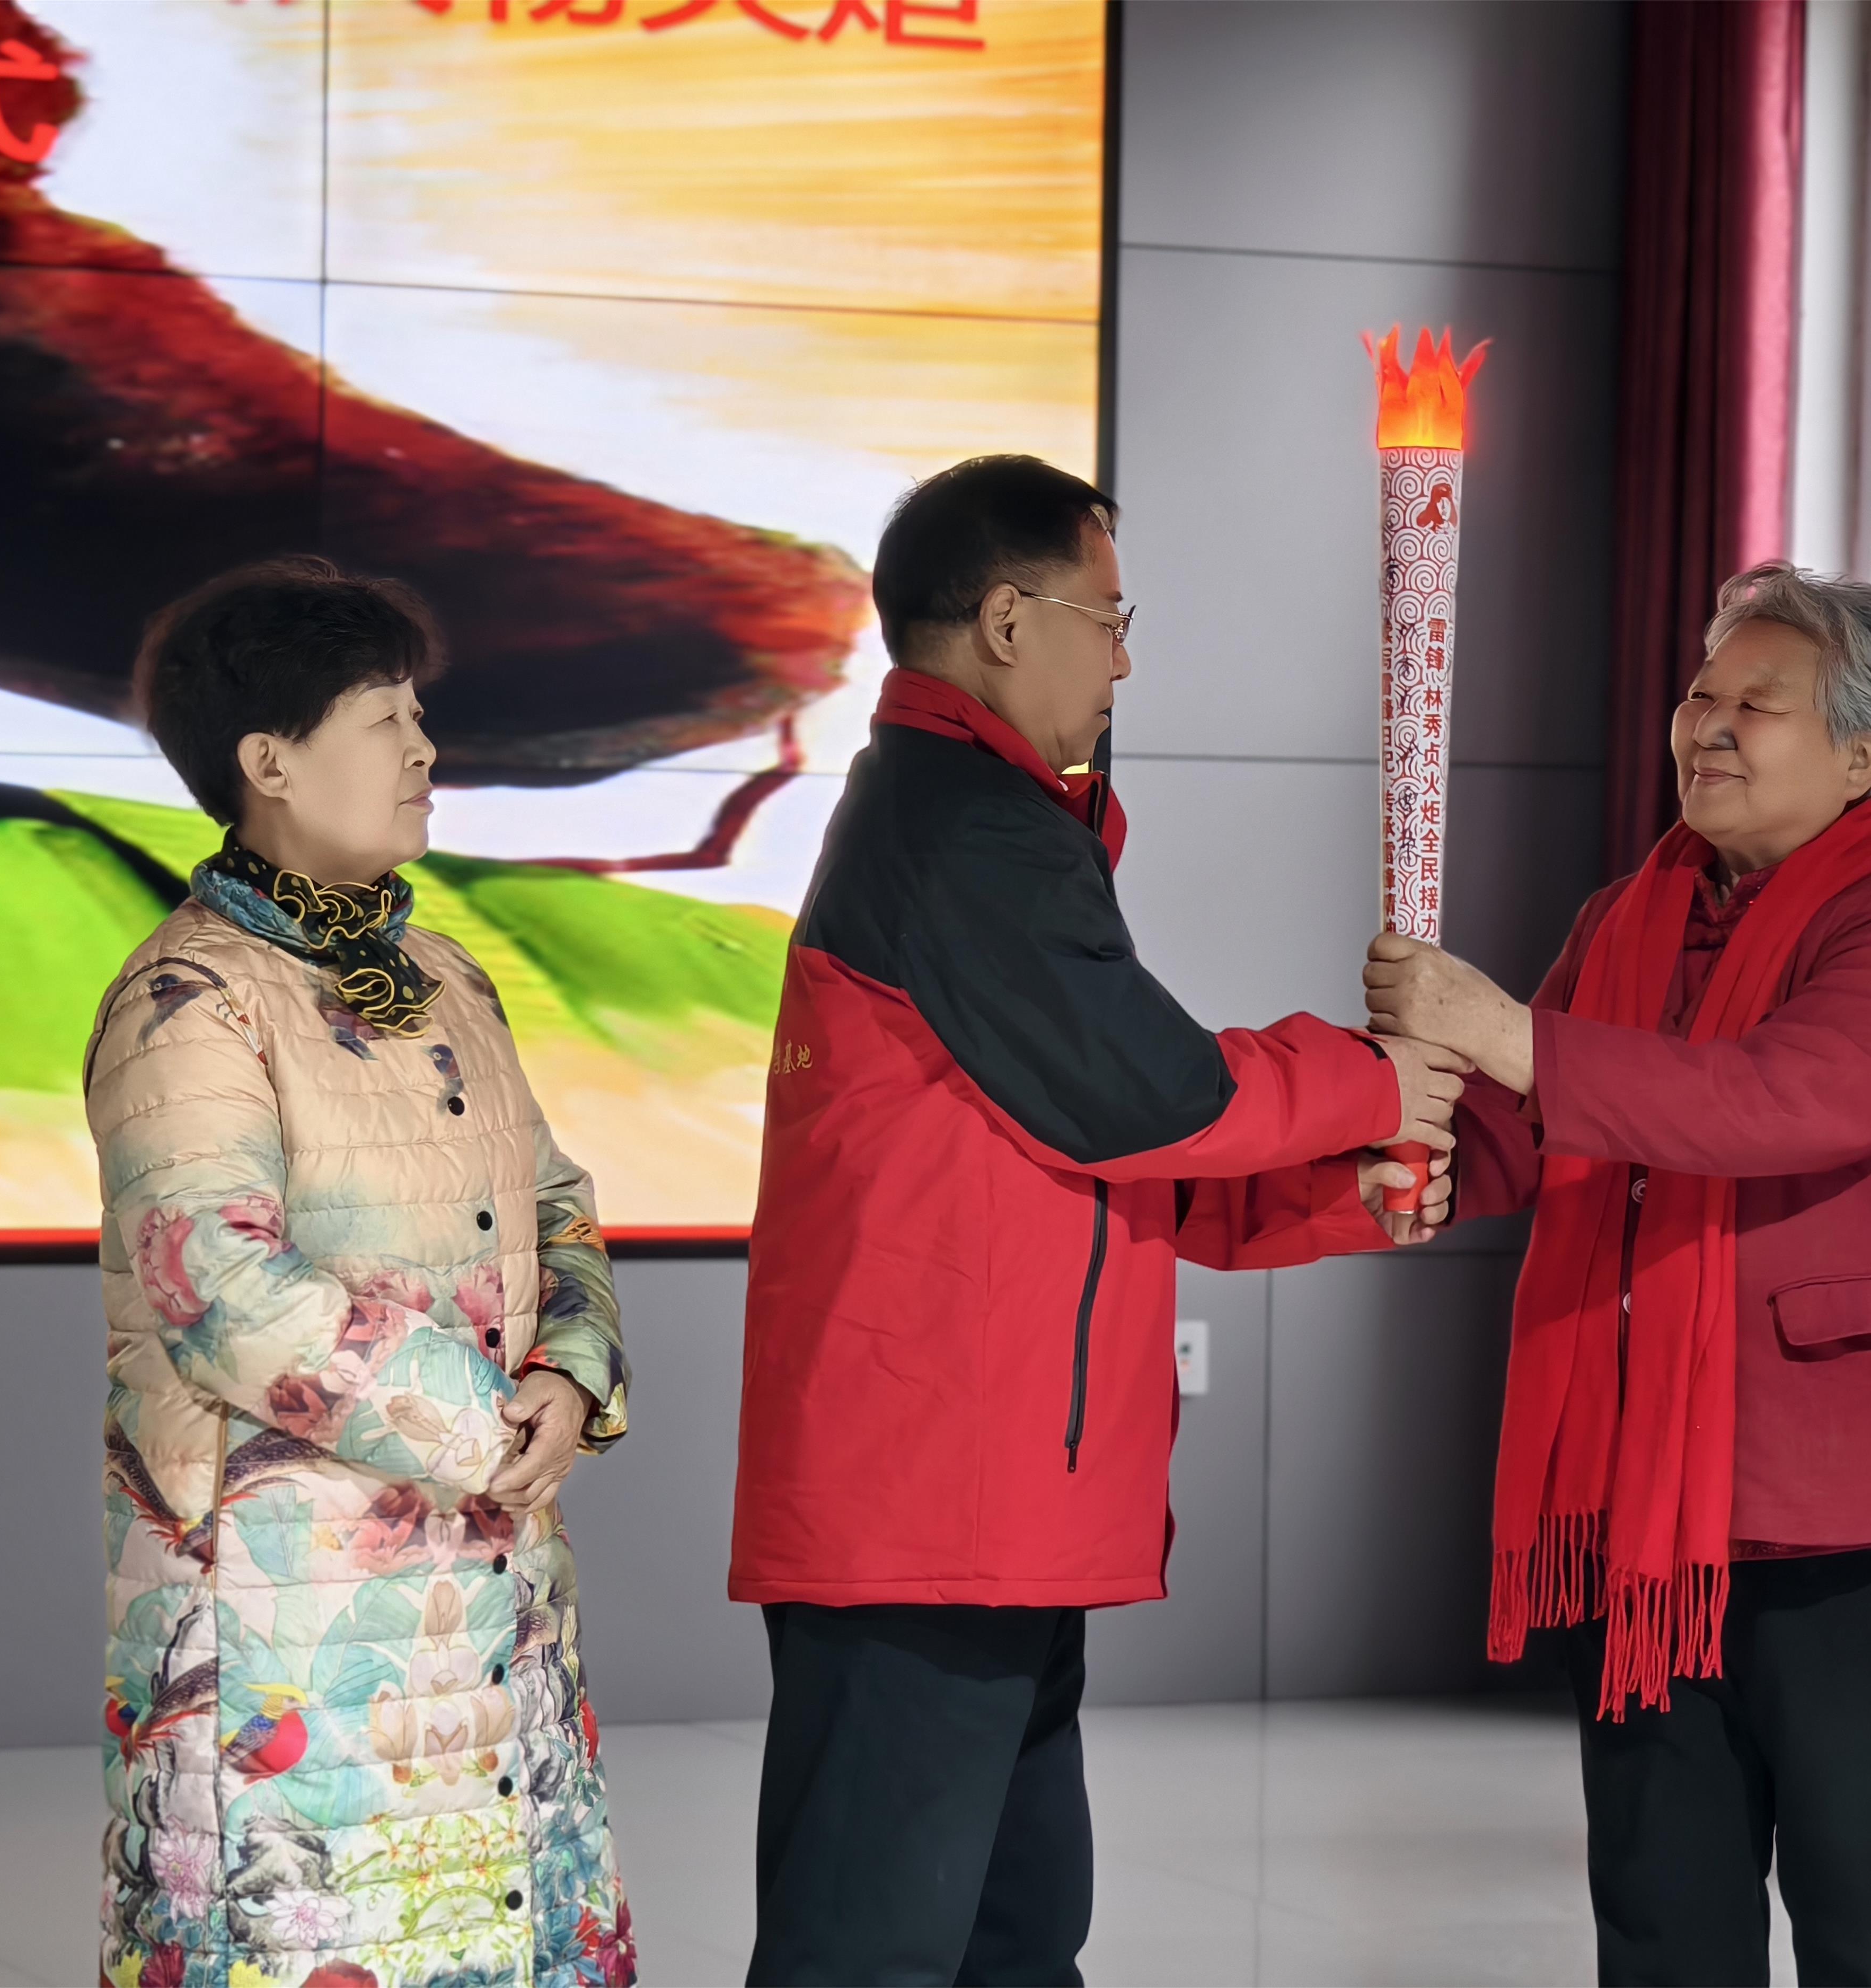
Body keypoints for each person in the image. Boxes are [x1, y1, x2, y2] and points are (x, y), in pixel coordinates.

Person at [730, 454, 1464, 1987]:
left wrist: (1344, 1191)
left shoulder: (999, 824)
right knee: (872, 1952)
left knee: (1015, 1941)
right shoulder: (962, 830)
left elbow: (1105, 1157)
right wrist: (1374, 1082)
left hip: (991, 1499)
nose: (1125, 660)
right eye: (1110, 618)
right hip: (934, 1498)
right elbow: (1153, 1100)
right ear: (1009, 621)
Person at [1366, 561, 1871, 1987]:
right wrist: (1423, 1160)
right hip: (1649, 1506)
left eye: (1756, 704)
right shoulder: (1627, 916)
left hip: (1861, 1520)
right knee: (1664, 1926)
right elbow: (1531, 1126)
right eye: (1698, 692)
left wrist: (1498, 1031)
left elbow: (1762, 1103)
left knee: (1870, 1936)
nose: (1706, 725)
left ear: (1863, 755)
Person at [91, 558, 636, 1988]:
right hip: (288, 1613)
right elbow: (217, 1284)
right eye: (385, 716)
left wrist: (570, 1377)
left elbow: (556, 1205)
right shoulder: (188, 1000)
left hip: (496, 1581)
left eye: (419, 713)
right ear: (268, 761)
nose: (424, 748)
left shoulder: (447, 975)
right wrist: (484, 1429)